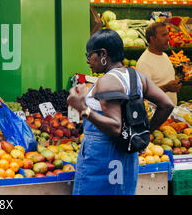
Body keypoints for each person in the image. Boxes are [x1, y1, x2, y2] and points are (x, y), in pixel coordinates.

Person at [67, 29, 174, 195]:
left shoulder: (107, 80)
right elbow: (166, 105)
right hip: (126, 157)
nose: (88, 61)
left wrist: (84, 109)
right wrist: (142, 135)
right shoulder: (137, 77)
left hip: (102, 159)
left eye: (90, 56)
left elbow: (115, 127)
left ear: (103, 54)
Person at [136, 22, 181, 106]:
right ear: (152, 39)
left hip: (170, 113)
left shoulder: (165, 56)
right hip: (156, 115)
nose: (168, 38)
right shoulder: (144, 63)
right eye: (164, 35)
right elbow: (143, 94)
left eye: (168, 34)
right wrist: (166, 88)